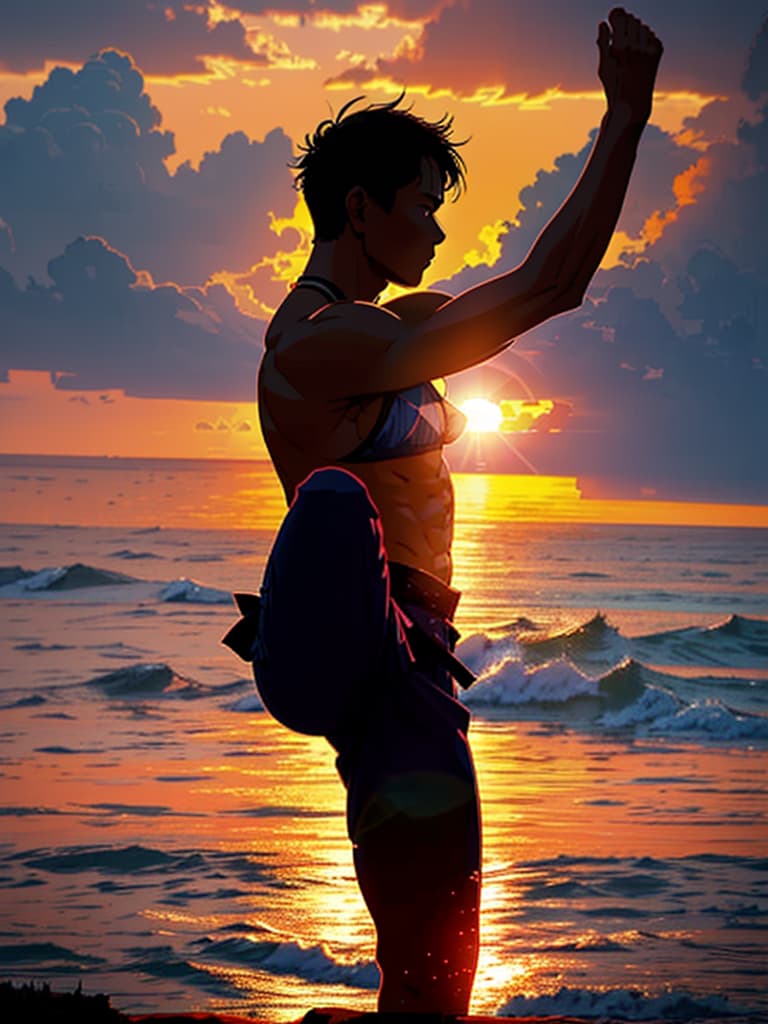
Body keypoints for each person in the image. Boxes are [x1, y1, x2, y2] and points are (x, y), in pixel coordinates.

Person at [224, 7, 662, 1014]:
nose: (436, 226)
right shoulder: (314, 346)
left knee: (434, 963)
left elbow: (554, 285)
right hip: (381, 671)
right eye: (421, 205)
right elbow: (547, 284)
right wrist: (625, 117)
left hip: (426, 664)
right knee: (432, 966)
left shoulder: (392, 326)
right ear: (359, 206)